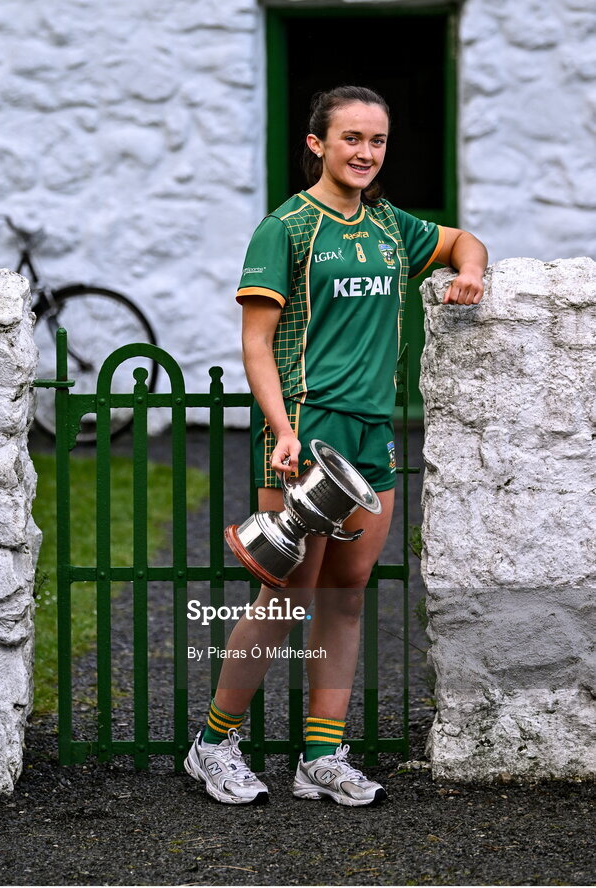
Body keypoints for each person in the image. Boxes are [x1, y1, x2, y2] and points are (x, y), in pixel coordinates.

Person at [184, 85, 487, 806]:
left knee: (346, 597)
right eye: (351, 138)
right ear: (318, 144)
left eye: (377, 140)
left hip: (372, 435)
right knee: (286, 596)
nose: (365, 152)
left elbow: (458, 240)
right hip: (308, 434)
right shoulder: (287, 228)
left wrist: (469, 271)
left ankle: (319, 755)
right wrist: (282, 429)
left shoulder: (389, 225)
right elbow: (256, 345)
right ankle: (214, 742)